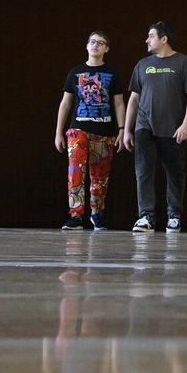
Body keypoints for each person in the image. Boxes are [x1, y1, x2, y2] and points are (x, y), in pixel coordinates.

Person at [122, 22, 187, 233]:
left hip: (173, 128)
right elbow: (134, 98)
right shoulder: (142, 65)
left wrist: (186, 124)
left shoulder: (184, 63)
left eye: (151, 36)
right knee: (143, 171)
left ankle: (174, 216)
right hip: (144, 125)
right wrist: (127, 129)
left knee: (175, 173)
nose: (147, 40)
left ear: (164, 39)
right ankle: (145, 217)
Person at [54, 31, 121, 230]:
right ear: (86, 46)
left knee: (100, 175)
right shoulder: (75, 72)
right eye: (92, 42)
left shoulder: (112, 73)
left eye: (100, 43)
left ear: (106, 48)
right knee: (75, 170)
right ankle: (75, 215)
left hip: (105, 129)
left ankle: (97, 213)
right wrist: (59, 131)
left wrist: (122, 128)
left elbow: (119, 103)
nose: (95, 45)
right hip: (78, 129)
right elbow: (65, 103)